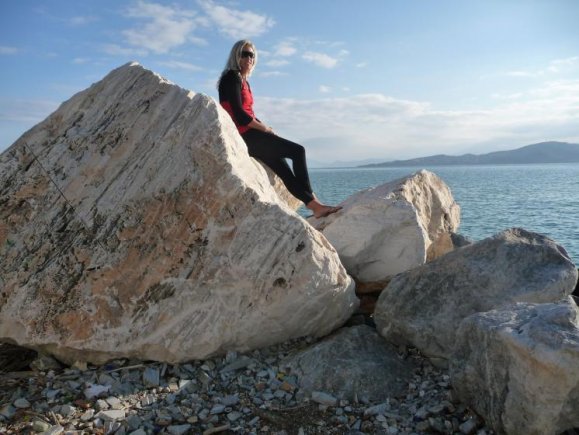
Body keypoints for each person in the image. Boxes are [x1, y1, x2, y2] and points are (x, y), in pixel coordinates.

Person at [217, 39, 342, 218]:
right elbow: (239, 115)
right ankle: (316, 203)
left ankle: (316, 207)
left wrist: (265, 128)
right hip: (245, 136)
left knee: (284, 171)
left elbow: (249, 112)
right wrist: (265, 129)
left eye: (252, 55)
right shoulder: (232, 77)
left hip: (252, 134)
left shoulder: (244, 81)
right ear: (236, 56)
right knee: (298, 151)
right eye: (245, 54)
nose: (249, 58)